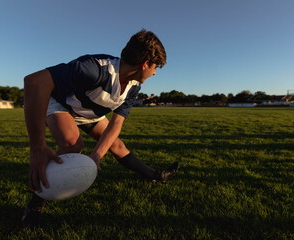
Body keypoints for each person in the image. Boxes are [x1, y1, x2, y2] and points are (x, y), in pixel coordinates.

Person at [21, 29, 179, 228]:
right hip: (62, 105)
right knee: (72, 143)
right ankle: (35, 205)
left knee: (117, 146)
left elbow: (116, 124)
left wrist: (96, 156)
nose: (155, 72)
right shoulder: (95, 69)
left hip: (88, 112)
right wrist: (37, 147)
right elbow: (34, 81)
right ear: (145, 63)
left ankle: (156, 176)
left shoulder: (134, 86)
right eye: (156, 67)